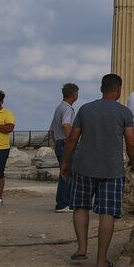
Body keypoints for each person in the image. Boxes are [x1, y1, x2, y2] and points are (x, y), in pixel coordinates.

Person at [60, 74, 134, 267]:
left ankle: (81, 248)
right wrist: (133, 161)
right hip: (112, 170)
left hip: (84, 167)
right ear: (118, 89)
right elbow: (131, 141)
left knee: (80, 207)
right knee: (107, 213)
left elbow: (72, 139)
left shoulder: (85, 109)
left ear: (101, 88)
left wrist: (66, 162)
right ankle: (101, 260)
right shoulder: (124, 112)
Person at [48, 83, 79, 212]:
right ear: (74, 95)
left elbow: (51, 131)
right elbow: (66, 125)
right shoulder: (67, 109)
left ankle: (64, 202)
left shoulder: (58, 108)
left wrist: (58, 143)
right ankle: (63, 203)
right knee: (68, 173)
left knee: (65, 172)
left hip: (60, 144)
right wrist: (71, 140)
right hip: (66, 144)